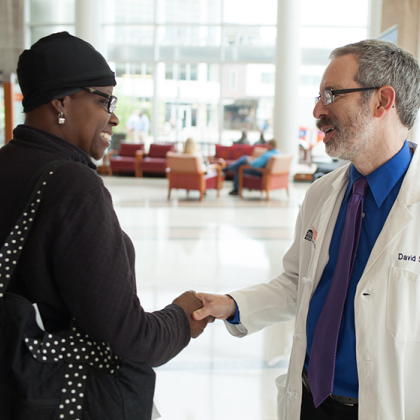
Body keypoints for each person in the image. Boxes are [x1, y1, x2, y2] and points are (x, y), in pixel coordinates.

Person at [193, 39, 420, 420]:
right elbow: (299, 282)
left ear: (382, 101)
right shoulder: (322, 193)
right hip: (310, 400)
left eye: (332, 95)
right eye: (318, 96)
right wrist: (234, 305)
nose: (318, 110)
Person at [0, 32, 210, 419]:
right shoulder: (72, 185)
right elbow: (129, 337)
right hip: (65, 399)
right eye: (103, 100)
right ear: (61, 102)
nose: (114, 116)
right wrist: (183, 317)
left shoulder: (8, 164)